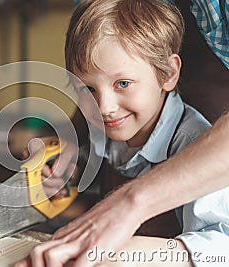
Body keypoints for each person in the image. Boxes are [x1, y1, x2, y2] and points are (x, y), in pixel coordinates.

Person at [15, 0, 229, 266]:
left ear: (170, 73)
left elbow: (222, 247)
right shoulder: (104, 127)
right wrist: (65, 164)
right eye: (87, 88)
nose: (104, 108)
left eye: (123, 84)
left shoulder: (193, 142)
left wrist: (137, 254)